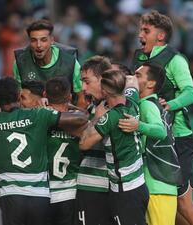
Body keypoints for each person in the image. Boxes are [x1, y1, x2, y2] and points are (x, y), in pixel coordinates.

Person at [131, 10, 193, 225]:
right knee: (171, 208)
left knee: (184, 204)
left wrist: (169, 104)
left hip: (178, 138)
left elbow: (190, 93)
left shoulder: (175, 59)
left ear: (161, 36)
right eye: (140, 30)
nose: (140, 35)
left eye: (146, 30)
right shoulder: (139, 59)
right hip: (154, 140)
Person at [0, 77, 88, 225]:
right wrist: (66, 106)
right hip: (40, 197)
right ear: (18, 96)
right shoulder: (38, 115)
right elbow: (81, 119)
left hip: (9, 196)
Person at [80, 69, 149, 225]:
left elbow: (84, 144)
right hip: (139, 186)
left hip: (124, 191)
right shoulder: (132, 102)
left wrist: (96, 118)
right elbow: (132, 81)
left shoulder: (109, 118)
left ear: (104, 92)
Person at [119, 62, 182, 225]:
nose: (132, 78)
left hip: (158, 184)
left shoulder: (147, 105)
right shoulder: (154, 105)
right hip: (158, 183)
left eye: (138, 75)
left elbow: (160, 131)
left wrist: (137, 125)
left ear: (151, 83)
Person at [13, 19, 86, 108]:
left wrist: (74, 118)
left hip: (64, 115)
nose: (38, 45)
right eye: (34, 40)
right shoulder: (20, 62)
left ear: (52, 40)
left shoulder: (70, 62)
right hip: (33, 115)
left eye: (43, 40)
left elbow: (82, 98)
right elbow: (18, 98)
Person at [77, 55, 113, 225]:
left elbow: (84, 144)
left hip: (112, 187)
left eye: (87, 81)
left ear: (102, 80)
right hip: (89, 185)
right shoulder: (93, 108)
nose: (83, 87)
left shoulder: (118, 107)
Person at [45, 77, 81, 225]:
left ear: (44, 94)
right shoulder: (80, 122)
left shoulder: (39, 119)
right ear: (70, 97)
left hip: (43, 193)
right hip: (70, 193)